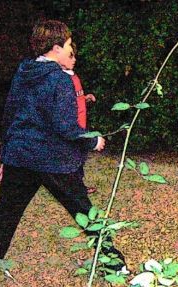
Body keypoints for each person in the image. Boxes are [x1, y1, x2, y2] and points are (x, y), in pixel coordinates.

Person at [0, 20, 125, 282]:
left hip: (20, 158)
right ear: (55, 48)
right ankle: (114, 265)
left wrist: (7, 157)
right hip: (54, 162)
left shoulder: (23, 72)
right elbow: (65, 126)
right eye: (68, 45)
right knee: (85, 212)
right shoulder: (59, 80)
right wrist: (92, 140)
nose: (71, 49)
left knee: (4, 214)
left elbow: (10, 115)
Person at [62, 42, 97, 194]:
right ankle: (74, 187)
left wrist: (85, 98)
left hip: (81, 126)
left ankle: (78, 185)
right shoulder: (62, 79)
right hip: (72, 128)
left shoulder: (74, 76)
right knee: (72, 159)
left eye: (74, 56)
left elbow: (76, 97)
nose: (74, 59)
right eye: (70, 56)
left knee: (80, 158)